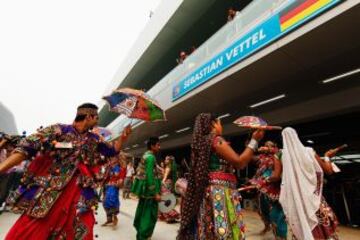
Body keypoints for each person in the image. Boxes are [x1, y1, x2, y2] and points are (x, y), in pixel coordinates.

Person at [0, 103, 131, 240]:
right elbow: (28, 146)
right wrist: (2, 168)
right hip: (52, 189)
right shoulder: (59, 130)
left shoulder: (95, 139)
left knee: (79, 226)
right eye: (96, 118)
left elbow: (112, 151)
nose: (98, 121)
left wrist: (124, 137)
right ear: (87, 117)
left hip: (80, 192)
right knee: (37, 225)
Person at [177, 113, 264, 240]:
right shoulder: (216, 140)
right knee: (224, 229)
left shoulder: (202, 143)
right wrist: (254, 140)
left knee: (210, 229)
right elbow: (239, 162)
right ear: (213, 124)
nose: (220, 126)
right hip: (220, 192)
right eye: (219, 123)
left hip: (208, 192)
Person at [279, 127, 339, 240]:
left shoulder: (284, 156)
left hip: (296, 202)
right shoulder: (309, 151)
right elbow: (328, 170)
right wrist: (327, 157)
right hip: (313, 200)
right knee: (322, 227)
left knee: (301, 227)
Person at [249, 141, 287, 239]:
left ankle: (280, 234)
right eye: (265, 145)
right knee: (261, 208)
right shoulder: (261, 157)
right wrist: (250, 147)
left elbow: (277, 173)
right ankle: (267, 226)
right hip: (261, 185)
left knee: (275, 211)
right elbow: (251, 158)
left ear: (275, 147)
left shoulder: (278, 154)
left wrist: (270, 150)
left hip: (274, 186)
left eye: (269, 146)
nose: (266, 147)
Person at [132, 137, 162, 240]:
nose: (159, 147)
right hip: (150, 193)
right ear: (152, 146)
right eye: (158, 145)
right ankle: (144, 235)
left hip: (145, 191)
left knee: (142, 211)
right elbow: (149, 176)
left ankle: (140, 234)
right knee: (149, 215)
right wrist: (155, 193)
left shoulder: (146, 155)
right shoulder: (151, 158)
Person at [101, 154, 126, 227]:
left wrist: (118, 183)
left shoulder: (118, 168)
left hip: (114, 187)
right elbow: (106, 177)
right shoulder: (109, 167)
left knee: (112, 201)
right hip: (107, 186)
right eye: (111, 157)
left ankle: (114, 217)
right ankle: (109, 219)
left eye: (113, 157)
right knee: (105, 202)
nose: (111, 159)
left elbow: (119, 177)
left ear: (117, 159)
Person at [158, 155, 180, 223]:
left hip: (166, 184)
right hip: (169, 183)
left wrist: (162, 182)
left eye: (166, 160)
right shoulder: (171, 167)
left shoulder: (168, 168)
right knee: (166, 200)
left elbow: (165, 177)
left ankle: (170, 215)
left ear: (169, 161)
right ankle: (168, 216)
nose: (165, 161)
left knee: (164, 200)